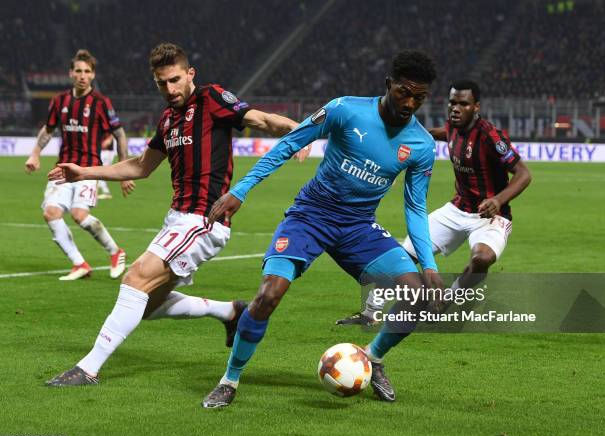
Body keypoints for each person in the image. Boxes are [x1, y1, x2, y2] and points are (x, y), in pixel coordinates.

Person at [45, 42, 304, 387]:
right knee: (147, 305)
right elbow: (140, 166)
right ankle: (230, 312)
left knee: (135, 278)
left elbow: (259, 118)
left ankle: (87, 368)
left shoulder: (211, 98)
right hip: (177, 219)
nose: (169, 89)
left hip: (204, 220)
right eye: (161, 83)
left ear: (190, 74)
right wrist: (85, 172)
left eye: (175, 80)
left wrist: (298, 131)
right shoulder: (168, 119)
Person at [201, 50, 445, 408]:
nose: (410, 103)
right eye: (403, 93)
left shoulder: (422, 145)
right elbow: (289, 144)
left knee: (419, 294)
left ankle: (372, 358)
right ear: (388, 84)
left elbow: (416, 206)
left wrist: (429, 266)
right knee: (269, 294)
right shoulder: (346, 109)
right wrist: (240, 190)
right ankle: (230, 379)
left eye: (419, 98)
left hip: (358, 227)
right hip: (311, 216)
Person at [336, 80, 532, 325]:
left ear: (476, 107)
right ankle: (370, 313)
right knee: (403, 255)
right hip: (456, 209)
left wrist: (497, 199)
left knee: (481, 258)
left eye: (463, 104)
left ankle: (446, 301)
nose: (455, 109)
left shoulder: (490, 136)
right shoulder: (452, 129)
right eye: (452, 103)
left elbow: (524, 174)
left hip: (492, 215)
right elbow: (430, 135)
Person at [25, 49, 134, 280]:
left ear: (93, 75)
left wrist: (125, 172)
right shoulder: (59, 101)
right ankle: (79, 264)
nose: (82, 75)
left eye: (87, 71)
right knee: (50, 213)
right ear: (71, 73)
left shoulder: (101, 103)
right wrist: (35, 153)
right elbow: (48, 130)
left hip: (88, 170)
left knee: (78, 215)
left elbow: (120, 135)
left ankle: (115, 252)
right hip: (63, 169)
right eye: (78, 71)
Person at [97, 133, 115, 199]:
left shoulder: (107, 124)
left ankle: (106, 192)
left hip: (107, 152)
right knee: (99, 171)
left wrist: (109, 139)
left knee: (100, 172)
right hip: (103, 151)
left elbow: (112, 132)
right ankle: (98, 188)